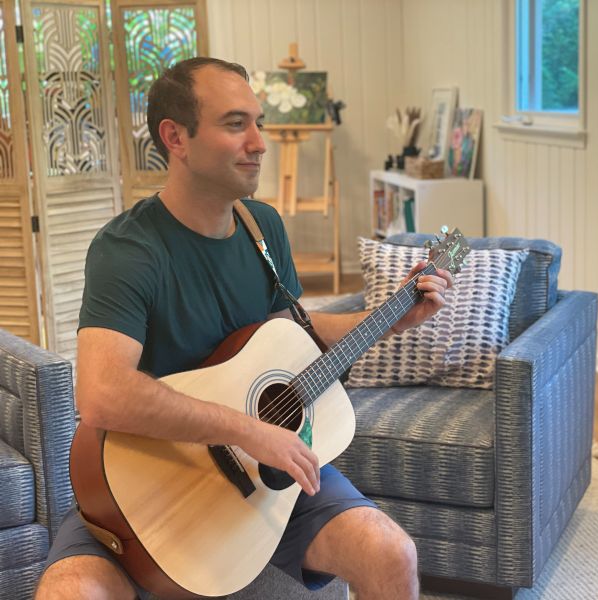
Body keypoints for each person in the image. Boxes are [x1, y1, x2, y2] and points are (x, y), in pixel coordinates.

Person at [35, 57, 452, 600]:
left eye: (259, 123)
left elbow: (285, 339)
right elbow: (101, 394)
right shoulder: (129, 249)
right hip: (146, 489)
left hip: (265, 479)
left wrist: (390, 318)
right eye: (236, 124)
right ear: (176, 138)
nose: (259, 142)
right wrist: (246, 429)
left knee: (392, 553)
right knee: (70, 593)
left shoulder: (263, 228)